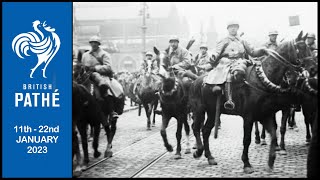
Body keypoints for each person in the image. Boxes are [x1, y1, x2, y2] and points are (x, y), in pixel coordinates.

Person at [205, 20, 267, 110]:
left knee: (250, 73)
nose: (233, 29)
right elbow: (217, 52)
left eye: (235, 27)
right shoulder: (224, 40)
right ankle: (228, 99)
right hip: (226, 62)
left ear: (237, 28)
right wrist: (213, 57)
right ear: (228, 29)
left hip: (240, 61)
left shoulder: (242, 41)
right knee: (228, 76)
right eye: (231, 27)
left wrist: (262, 50)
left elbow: (252, 51)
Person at [81, 35, 123, 119]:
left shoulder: (104, 54)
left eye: (95, 43)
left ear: (98, 44)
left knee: (105, 87)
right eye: (92, 43)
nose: (93, 44)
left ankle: (111, 111)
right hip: (87, 76)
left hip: (101, 75)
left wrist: (95, 68)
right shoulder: (85, 55)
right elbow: (82, 66)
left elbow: (108, 67)